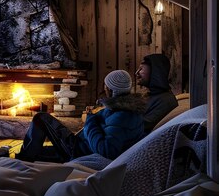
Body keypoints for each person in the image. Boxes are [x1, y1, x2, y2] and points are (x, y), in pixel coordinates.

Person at [17, 70, 146, 162]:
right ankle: (23, 158)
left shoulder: (122, 116)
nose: (104, 87)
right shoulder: (124, 109)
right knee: (35, 152)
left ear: (111, 90)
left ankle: (22, 160)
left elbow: (106, 150)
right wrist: (95, 114)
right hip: (80, 144)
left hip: (76, 150)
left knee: (41, 118)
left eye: (106, 85)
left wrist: (89, 120)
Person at [135, 53, 178, 134]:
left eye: (141, 69)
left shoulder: (166, 101)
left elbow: (141, 126)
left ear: (155, 72)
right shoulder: (152, 95)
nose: (136, 73)